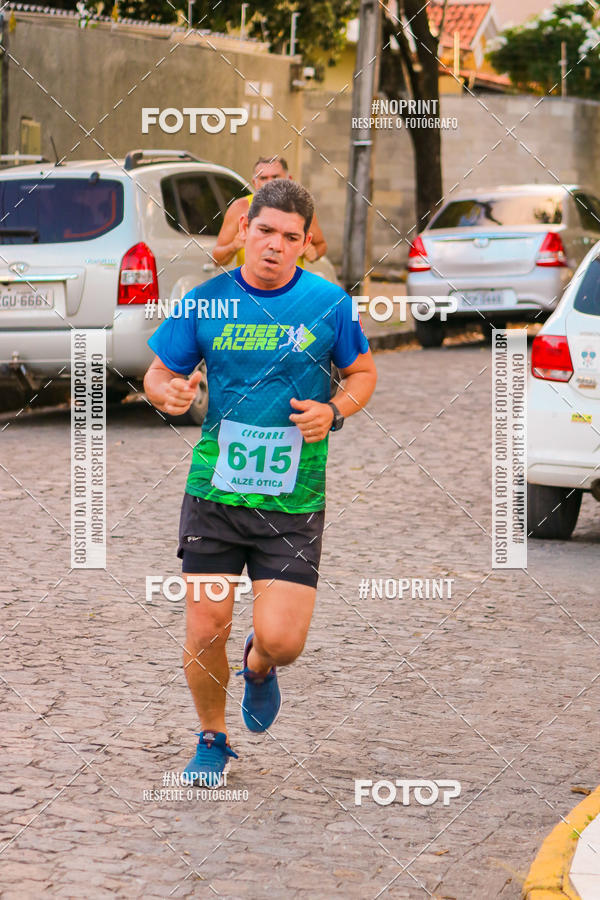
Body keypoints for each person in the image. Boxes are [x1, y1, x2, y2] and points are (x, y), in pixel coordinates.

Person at [143, 179, 376, 784]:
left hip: (294, 499)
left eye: (290, 238)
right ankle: (212, 738)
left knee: (282, 641)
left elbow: (361, 371)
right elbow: (159, 373)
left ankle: (260, 666)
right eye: (265, 231)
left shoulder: (329, 304)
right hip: (215, 492)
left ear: (306, 244)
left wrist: (336, 410)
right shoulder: (203, 301)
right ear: (244, 230)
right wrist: (166, 392)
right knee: (205, 625)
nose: (275, 245)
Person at [212, 155, 328, 268]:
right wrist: (233, 246)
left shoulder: (302, 207)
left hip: (291, 286)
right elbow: (216, 260)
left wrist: (315, 253)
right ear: (255, 182)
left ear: (289, 179)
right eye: (263, 178)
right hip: (250, 287)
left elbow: (321, 244)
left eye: (275, 177)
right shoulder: (240, 207)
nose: (270, 183)